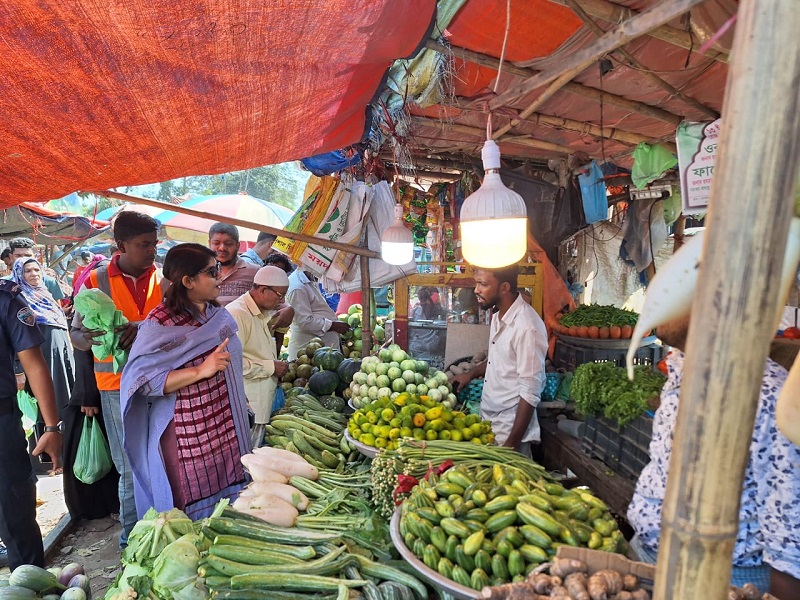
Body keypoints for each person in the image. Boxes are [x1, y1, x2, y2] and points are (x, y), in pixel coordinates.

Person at [627, 314, 800, 598]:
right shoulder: (682, 366)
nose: (663, 300)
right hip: (652, 560)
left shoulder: (768, 397)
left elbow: (791, 550)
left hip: (720, 582)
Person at [120, 243, 251, 520]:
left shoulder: (217, 314)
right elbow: (141, 381)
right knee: (192, 512)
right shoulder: (161, 322)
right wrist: (200, 371)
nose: (219, 276)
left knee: (229, 507)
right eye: (212, 271)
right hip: (187, 434)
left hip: (224, 425)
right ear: (188, 281)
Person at [70, 211, 162, 548]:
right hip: (115, 387)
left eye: (154, 243)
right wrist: (89, 338)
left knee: (159, 461)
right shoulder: (95, 280)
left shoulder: (162, 279)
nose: (152, 250)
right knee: (130, 467)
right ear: (121, 245)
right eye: (144, 244)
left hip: (159, 383)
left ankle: (158, 531)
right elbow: (75, 335)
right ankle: (131, 541)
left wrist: (143, 328)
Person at [451, 265, 547, 455]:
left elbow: (530, 391)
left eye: (483, 284)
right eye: (477, 283)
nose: (476, 290)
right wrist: (470, 374)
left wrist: (511, 445)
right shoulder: (497, 317)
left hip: (510, 432)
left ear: (504, 287)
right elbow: (497, 360)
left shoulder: (527, 327)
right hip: (489, 423)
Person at [0, 278, 62, 570]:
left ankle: (31, 587)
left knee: (15, 515)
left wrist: (51, 427)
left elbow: (34, 364)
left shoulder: (5, 299)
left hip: (1, 424)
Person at [62, 255, 120, 521]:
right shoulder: (91, 297)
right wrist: (86, 395)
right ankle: (100, 508)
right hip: (96, 389)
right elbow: (82, 351)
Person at [226, 266, 292, 447]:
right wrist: (271, 367)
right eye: (280, 296)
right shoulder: (237, 314)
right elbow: (230, 363)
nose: (282, 301)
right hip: (248, 406)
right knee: (247, 459)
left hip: (261, 403)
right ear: (263, 290)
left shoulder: (262, 311)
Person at [11, 258, 75, 431]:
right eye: (28, 271)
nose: (34, 274)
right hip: (40, 359)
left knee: (66, 397)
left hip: (61, 355)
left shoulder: (46, 295)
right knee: (47, 400)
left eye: (37, 270)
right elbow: (16, 335)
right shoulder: (19, 300)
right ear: (19, 274)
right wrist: (19, 370)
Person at [286, 268, 349, 359]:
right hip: (309, 352)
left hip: (323, 350)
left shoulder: (309, 279)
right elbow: (305, 322)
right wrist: (334, 325)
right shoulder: (298, 288)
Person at [209, 222, 259, 306]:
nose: (222, 248)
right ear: (209, 243)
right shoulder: (200, 272)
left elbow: (278, 302)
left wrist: (287, 308)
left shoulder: (255, 272)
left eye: (228, 244)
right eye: (216, 243)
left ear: (237, 245)